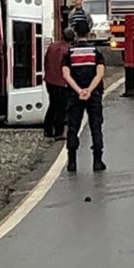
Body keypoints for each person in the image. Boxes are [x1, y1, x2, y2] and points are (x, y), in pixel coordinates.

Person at [62, 21, 106, 172]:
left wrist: (79, 90)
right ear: (88, 33)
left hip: (74, 95)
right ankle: (97, 161)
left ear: (75, 34)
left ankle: (72, 161)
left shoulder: (70, 53)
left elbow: (66, 75)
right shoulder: (96, 52)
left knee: (73, 127)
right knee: (95, 126)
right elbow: (100, 73)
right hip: (94, 94)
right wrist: (89, 90)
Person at [44, 27, 76, 140]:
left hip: (49, 80)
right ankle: (58, 131)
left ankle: (47, 129)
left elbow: (45, 60)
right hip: (62, 82)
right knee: (61, 108)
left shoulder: (52, 46)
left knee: (53, 104)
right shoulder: (69, 50)